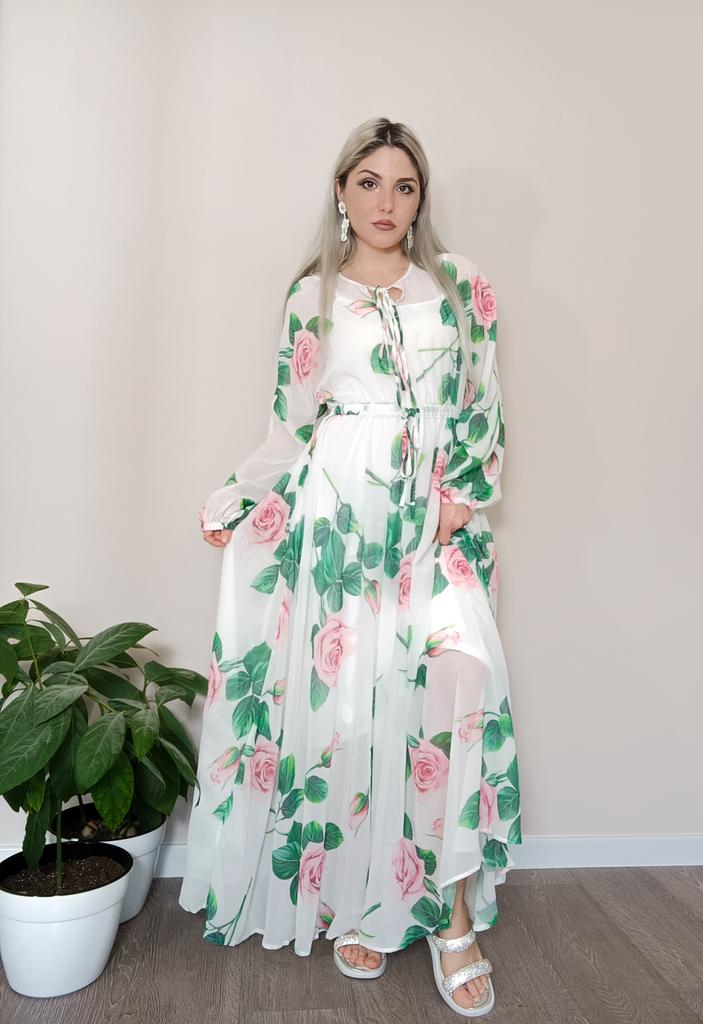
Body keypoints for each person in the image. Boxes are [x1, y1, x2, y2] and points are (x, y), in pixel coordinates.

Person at [178, 116, 522, 1017]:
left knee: (456, 686)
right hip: (338, 518)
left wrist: (461, 497)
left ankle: (452, 918)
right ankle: (364, 900)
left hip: (434, 524)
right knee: (356, 709)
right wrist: (238, 497)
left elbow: (483, 404)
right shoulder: (312, 295)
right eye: (368, 182)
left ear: (420, 198)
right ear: (340, 191)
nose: (385, 202)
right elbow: (292, 425)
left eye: (403, 186)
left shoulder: (462, 286)